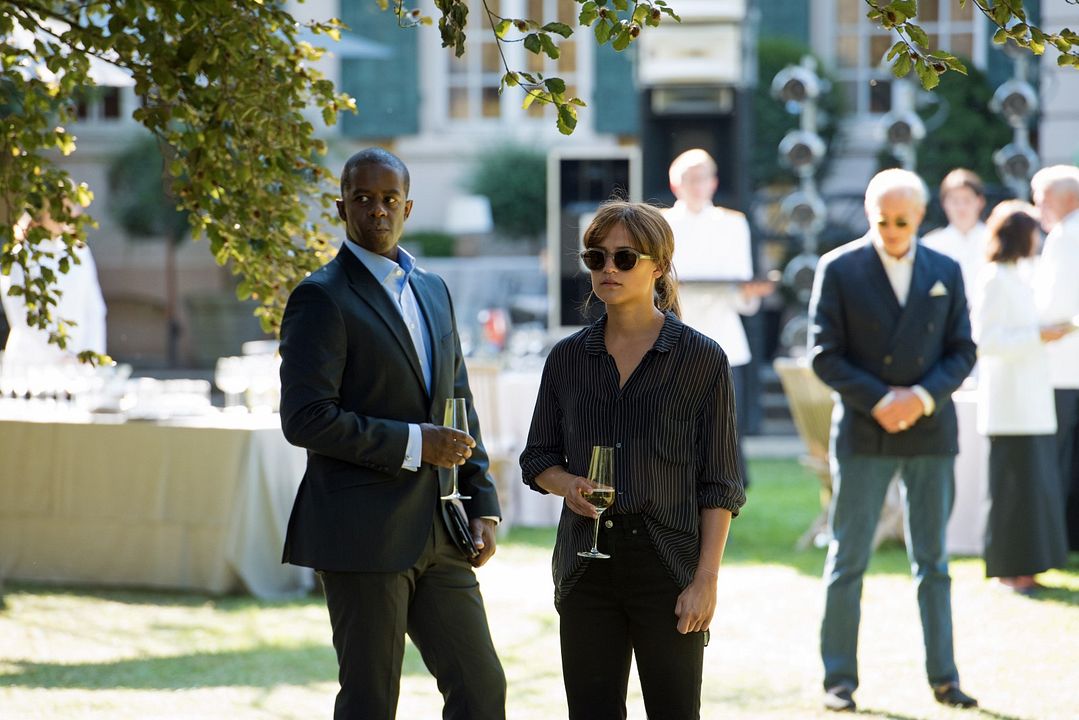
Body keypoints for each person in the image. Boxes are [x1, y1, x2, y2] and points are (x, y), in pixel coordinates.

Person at [278, 148, 506, 720]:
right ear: (341, 207)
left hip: (442, 529)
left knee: (482, 691)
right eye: (362, 198)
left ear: (407, 206)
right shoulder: (321, 296)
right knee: (371, 702)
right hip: (361, 533)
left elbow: (458, 402)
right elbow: (305, 418)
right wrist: (413, 442)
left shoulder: (433, 289)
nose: (376, 210)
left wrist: (482, 501)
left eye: (387, 199)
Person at [520, 201, 746, 720]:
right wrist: (567, 484)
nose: (607, 270)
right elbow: (538, 457)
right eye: (596, 258)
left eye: (624, 258)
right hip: (584, 565)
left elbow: (720, 483)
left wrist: (705, 579)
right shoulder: (568, 358)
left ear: (659, 265)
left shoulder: (701, 358)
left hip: (668, 564)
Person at [807, 169, 978, 712]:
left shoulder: (945, 269)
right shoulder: (838, 267)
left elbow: (962, 350)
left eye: (901, 221)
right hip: (862, 427)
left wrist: (921, 398)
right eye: (881, 220)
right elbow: (823, 353)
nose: (891, 231)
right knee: (847, 558)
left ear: (920, 217)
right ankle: (839, 680)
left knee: (933, 561)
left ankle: (945, 679)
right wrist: (882, 400)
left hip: (930, 429)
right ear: (868, 213)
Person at [971, 200, 1069, 594]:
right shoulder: (994, 278)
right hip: (1009, 405)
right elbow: (987, 340)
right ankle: (1010, 568)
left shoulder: (1021, 277)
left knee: (1032, 487)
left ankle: (1030, 565)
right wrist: (1039, 336)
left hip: (1031, 401)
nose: (1039, 240)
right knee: (1011, 489)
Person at [662, 149, 772, 483]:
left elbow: (740, 291)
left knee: (723, 425)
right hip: (675, 335)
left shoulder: (733, 223)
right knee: (672, 423)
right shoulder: (661, 222)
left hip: (723, 336)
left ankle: (724, 496)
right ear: (674, 183)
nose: (697, 186)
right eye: (689, 179)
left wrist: (749, 294)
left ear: (714, 182)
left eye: (703, 178)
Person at [1031, 164, 1079, 552]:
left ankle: (1058, 542)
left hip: (1063, 369)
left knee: (1058, 462)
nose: (1036, 207)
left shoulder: (1064, 237)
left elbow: (1052, 309)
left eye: (1040, 198)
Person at [0, 212, 107, 366]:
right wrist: (62, 354)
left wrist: (90, 358)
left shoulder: (80, 251)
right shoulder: (20, 256)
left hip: (77, 368)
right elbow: (21, 314)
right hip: (30, 365)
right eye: (60, 206)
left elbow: (95, 309)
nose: (67, 213)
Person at [921, 169, 990, 295]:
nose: (961, 208)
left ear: (980, 202)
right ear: (944, 204)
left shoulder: (994, 239)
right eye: (955, 201)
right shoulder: (931, 244)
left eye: (967, 200)